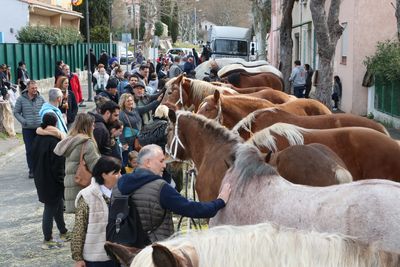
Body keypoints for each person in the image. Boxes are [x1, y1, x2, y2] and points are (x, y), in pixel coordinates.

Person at [117, 144, 231, 242]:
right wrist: (220, 201)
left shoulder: (118, 185)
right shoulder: (160, 188)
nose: (164, 165)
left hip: (126, 250)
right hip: (155, 251)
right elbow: (192, 209)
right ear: (148, 163)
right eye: (161, 161)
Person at [72, 156, 121, 267]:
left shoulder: (123, 192)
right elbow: (79, 228)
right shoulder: (86, 196)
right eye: (116, 173)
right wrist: (78, 257)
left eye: (120, 172)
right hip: (95, 257)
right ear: (104, 175)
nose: (120, 176)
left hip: (120, 253)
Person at [31, 113, 69, 249]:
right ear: (55, 123)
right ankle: (47, 239)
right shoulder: (55, 141)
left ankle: (63, 231)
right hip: (52, 180)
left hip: (41, 178)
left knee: (58, 205)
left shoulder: (38, 137)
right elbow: (58, 166)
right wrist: (62, 181)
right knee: (50, 208)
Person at [54, 113, 100, 213]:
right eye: (92, 124)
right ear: (87, 126)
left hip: (72, 183)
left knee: (80, 219)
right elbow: (96, 167)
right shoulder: (87, 143)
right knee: (88, 220)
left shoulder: (69, 141)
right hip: (84, 185)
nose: (94, 127)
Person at [13, 80, 46, 178]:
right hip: (27, 129)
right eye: (33, 88)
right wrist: (23, 121)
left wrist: (44, 122)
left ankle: (40, 169)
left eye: (36, 88)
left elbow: (46, 110)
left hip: (40, 129)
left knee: (40, 150)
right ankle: (32, 170)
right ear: (27, 88)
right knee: (30, 150)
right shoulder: (21, 99)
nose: (35, 90)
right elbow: (16, 112)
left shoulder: (41, 98)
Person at [118, 93, 161, 166]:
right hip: (128, 141)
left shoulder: (136, 110)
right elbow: (120, 130)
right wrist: (123, 143)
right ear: (123, 103)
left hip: (137, 139)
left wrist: (157, 101)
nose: (130, 102)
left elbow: (147, 107)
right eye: (128, 101)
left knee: (138, 159)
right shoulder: (122, 114)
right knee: (129, 160)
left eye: (131, 100)